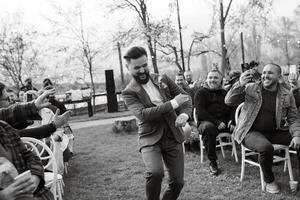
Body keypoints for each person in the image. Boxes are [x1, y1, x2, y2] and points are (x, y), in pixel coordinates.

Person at [122, 46, 192, 200]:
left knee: (178, 183)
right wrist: (173, 104)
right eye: (137, 67)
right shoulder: (129, 92)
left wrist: (185, 115)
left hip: (173, 135)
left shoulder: (162, 79)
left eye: (144, 65)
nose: (142, 70)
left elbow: (185, 97)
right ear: (128, 68)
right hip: (150, 137)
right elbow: (143, 115)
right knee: (155, 172)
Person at [225, 63, 300, 194]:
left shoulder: (286, 94)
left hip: (275, 131)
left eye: (270, 73)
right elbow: (229, 101)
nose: (265, 75)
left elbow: (293, 118)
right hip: (250, 132)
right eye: (264, 72)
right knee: (266, 147)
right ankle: (269, 180)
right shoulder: (251, 88)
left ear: (279, 76)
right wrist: (239, 84)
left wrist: (297, 135)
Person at [0, 89, 55, 200]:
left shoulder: (5, 128)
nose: (12, 101)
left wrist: (35, 178)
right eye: (7, 99)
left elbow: (31, 156)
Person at [194, 69, 233, 176]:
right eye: (210, 77)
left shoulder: (225, 93)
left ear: (221, 80)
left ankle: (251, 154)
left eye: (216, 78)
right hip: (207, 122)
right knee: (208, 128)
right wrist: (217, 122)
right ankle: (213, 162)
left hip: (224, 123)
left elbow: (231, 108)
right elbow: (200, 112)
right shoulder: (201, 93)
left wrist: (231, 121)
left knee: (241, 125)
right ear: (206, 79)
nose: (213, 80)